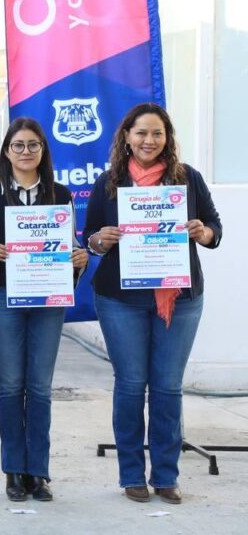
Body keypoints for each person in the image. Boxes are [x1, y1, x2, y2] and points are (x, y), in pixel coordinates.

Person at [84, 103, 221, 505]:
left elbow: (215, 227)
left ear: (167, 138)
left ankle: (165, 476)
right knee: (130, 386)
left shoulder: (187, 179)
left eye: (157, 133)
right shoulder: (109, 183)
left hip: (180, 298)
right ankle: (131, 476)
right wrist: (100, 240)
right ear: (126, 136)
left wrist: (203, 231)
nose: (149, 141)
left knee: (167, 388)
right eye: (141, 133)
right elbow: (88, 236)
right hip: (120, 300)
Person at [0, 118, 87, 502]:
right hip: (4, 299)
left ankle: (39, 472)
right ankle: (13, 471)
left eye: (33, 145)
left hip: (48, 301)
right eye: (18, 145)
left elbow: (70, 246)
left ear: (43, 151)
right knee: (11, 385)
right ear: (6, 151)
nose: (25, 152)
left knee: (39, 388)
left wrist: (78, 258)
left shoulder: (61, 195)